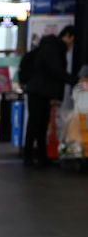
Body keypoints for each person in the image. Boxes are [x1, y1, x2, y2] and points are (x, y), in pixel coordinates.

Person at [24, 25, 78, 167]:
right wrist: (76, 80)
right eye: (72, 41)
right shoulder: (53, 47)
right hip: (38, 91)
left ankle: (41, 157)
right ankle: (29, 157)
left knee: (41, 125)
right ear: (68, 36)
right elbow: (56, 71)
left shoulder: (53, 47)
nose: (71, 46)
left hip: (41, 91)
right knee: (35, 124)